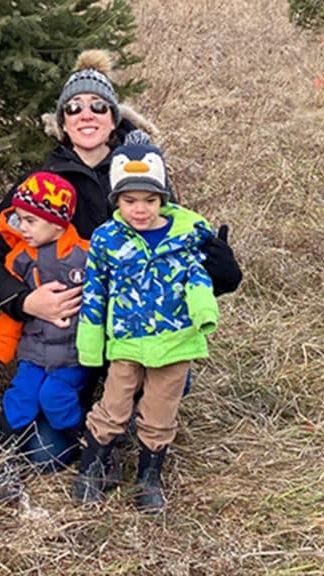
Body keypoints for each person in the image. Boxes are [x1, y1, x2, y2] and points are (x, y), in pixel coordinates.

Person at [0, 49, 241, 470]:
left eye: (98, 106)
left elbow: (177, 254)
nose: (86, 115)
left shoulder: (143, 172)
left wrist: (219, 268)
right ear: (62, 123)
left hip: (136, 329)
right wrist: (24, 301)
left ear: (114, 118)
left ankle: (134, 415)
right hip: (71, 339)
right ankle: (95, 421)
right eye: (73, 108)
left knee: (171, 377)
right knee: (47, 456)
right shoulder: (41, 186)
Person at [73, 143, 219, 515]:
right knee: (113, 406)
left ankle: (148, 480)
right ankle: (90, 470)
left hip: (176, 342)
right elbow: (95, 290)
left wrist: (204, 314)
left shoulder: (187, 235)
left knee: (159, 412)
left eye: (150, 200)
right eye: (130, 200)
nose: (140, 209)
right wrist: (91, 343)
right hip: (126, 340)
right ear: (117, 201)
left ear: (162, 199)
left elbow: (198, 278)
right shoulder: (107, 239)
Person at [0, 171, 92, 502]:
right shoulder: (21, 260)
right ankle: (6, 456)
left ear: (57, 224)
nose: (21, 228)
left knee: (55, 396)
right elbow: (13, 315)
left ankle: (87, 439)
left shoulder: (87, 257)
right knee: (21, 396)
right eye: (19, 219)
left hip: (72, 356)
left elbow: (101, 308)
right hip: (33, 353)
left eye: (29, 221)